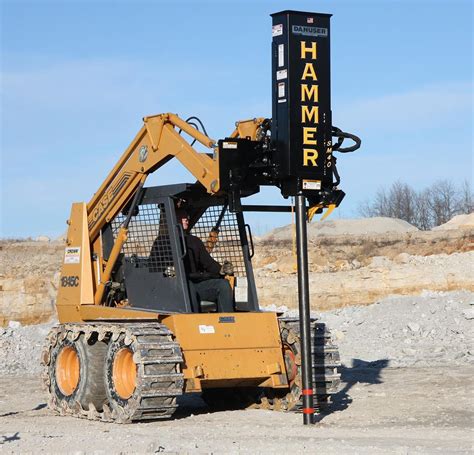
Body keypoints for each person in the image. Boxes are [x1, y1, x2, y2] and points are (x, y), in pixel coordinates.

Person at [176, 207, 234, 313]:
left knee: (223, 285)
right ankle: (193, 322)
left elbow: (208, 263)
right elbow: (155, 267)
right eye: (182, 217)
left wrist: (221, 270)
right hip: (175, 287)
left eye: (187, 216)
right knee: (188, 286)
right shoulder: (163, 242)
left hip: (196, 285)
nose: (187, 219)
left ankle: (228, 323)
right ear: (174, 218)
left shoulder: (194, 241)